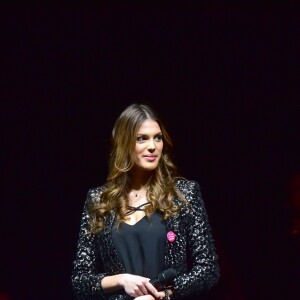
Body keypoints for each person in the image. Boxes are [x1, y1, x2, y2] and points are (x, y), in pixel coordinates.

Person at [72, 103, 220, 300]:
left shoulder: (183, 194)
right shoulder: (99, 200)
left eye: (157, 138)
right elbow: (80, 280)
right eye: (142, 138)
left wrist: (161, 295)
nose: (153, 146)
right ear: (124, 144)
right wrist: (121, 279)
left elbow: (208, 269)